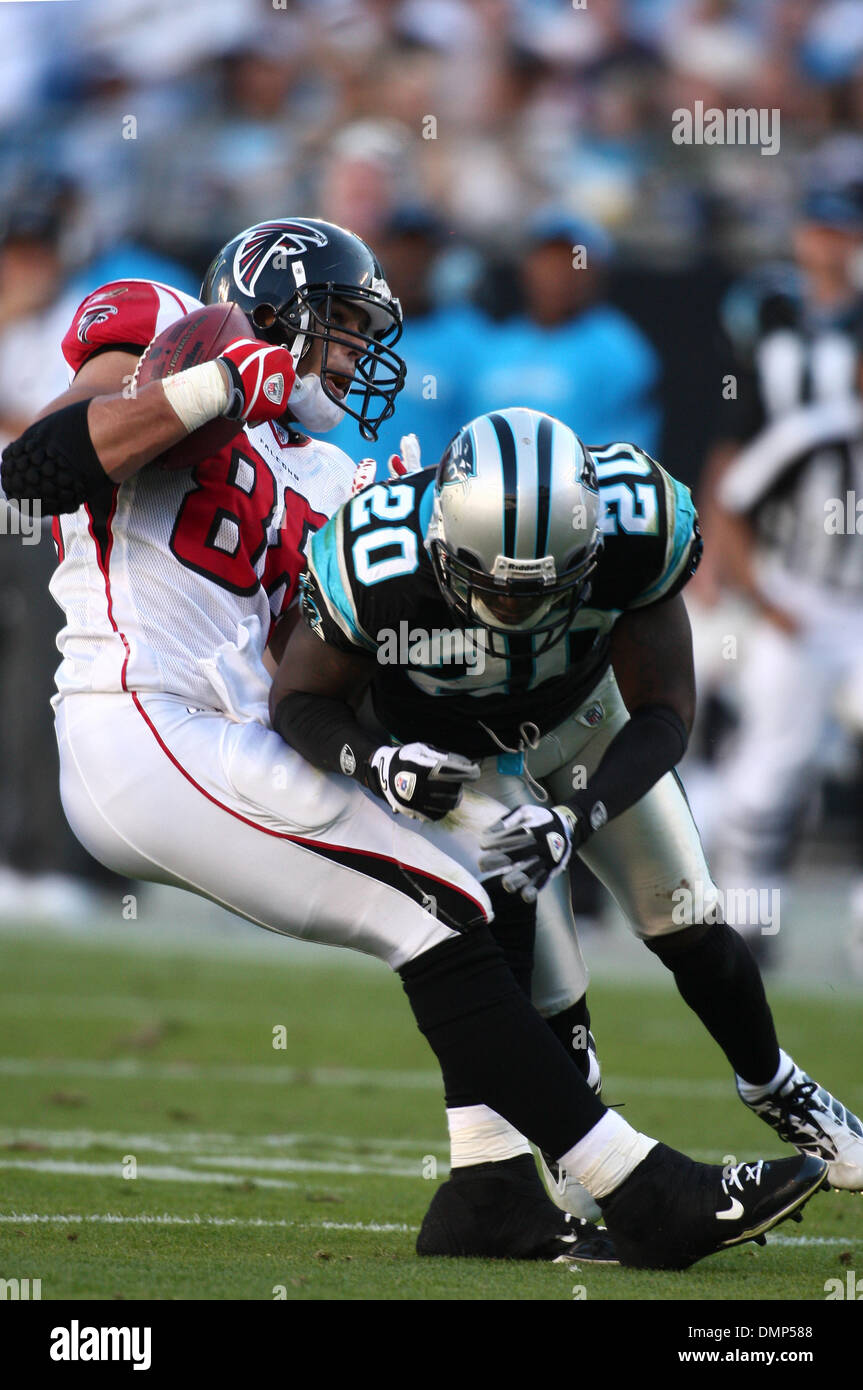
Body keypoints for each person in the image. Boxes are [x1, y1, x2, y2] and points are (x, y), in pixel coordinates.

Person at [1, 221, 827, 1273]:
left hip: (246, 734)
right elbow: (29, 476)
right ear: (276, 313)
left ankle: (488, 1189)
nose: (355, 355)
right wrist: (218, 385)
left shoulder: (333, 474)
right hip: (146, 719)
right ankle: (637, 1185)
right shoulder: (172, 333)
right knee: (431, 910)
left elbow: (335, 668)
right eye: (341, 328)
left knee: (489, 856)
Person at [271, 406, 863, 1252]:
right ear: (441, 542)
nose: (517, 606)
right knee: (543, 982)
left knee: (687, 917)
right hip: (460, 765)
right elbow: (296, 701)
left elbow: (664, 715)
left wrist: (574, 814)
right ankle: (590, 1165)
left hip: (587, 721)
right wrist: (378, 763)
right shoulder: (375, 559)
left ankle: (774, 1082)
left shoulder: (637, 526)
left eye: (543, 585)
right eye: (497, 585)